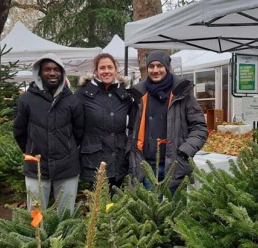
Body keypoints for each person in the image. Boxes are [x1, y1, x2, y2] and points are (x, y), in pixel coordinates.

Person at [127, 50, 208, 193]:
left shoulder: (182, 93)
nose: (155, 70)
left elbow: (200, 127)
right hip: (147, 166)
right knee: (152, 212)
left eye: (160, 66)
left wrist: (185, 151)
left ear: (167, 68)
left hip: (176, 165)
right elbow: (132, 129)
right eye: (151, 66)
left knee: (176, 211)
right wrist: (132, 154)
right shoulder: (139, 95)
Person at [13, 53, 84, 215]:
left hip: (67, 167)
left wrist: (67, 148)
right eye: (47, 70)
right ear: (39, 73)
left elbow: (79, 132)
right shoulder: (26, 100)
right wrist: (31, 150)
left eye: (56, 70)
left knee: (66, 213)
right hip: (36, 167)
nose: (52, 73)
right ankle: (37, 239)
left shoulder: (72, 101)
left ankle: (65, 240)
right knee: (36, 212)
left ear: (62, 73)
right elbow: (19, 130)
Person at [75, 53, 132, 190]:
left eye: (110, 67)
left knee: (117, 204)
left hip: (119, 160)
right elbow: (75, 125)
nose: (106, 71)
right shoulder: (83, 94)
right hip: (93, 161)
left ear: (115, 70)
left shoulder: (124, 94)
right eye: (102, 68)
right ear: (96, 71)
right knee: (96, 206)